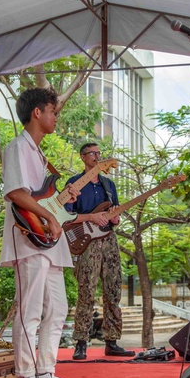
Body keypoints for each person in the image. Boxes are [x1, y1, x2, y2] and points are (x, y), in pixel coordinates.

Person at [0, 87, 83, 378]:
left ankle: (46, 374)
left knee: (58, 308)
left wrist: (61, 203)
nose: (56, 117)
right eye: (53, 111)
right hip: (28, 238)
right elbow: (16, 194)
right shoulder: (17, 147)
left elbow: (41, 196)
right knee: (30, 310)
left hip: (48, 240)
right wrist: (49, 213)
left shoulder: (41, 156)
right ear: (37, 112)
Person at [65, 142, 134, 359]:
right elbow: (66, 216)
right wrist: (91, 217)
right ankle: (81, 342)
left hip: (109, 239)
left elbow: (115, 217)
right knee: (86, 290)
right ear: (83, 157)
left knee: (113, 289)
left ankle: (112, 340)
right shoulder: (74, 183)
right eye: (92, 153)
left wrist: (115, 218)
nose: (97, 156)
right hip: (86, 241)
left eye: (98, 153)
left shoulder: (108, 184)